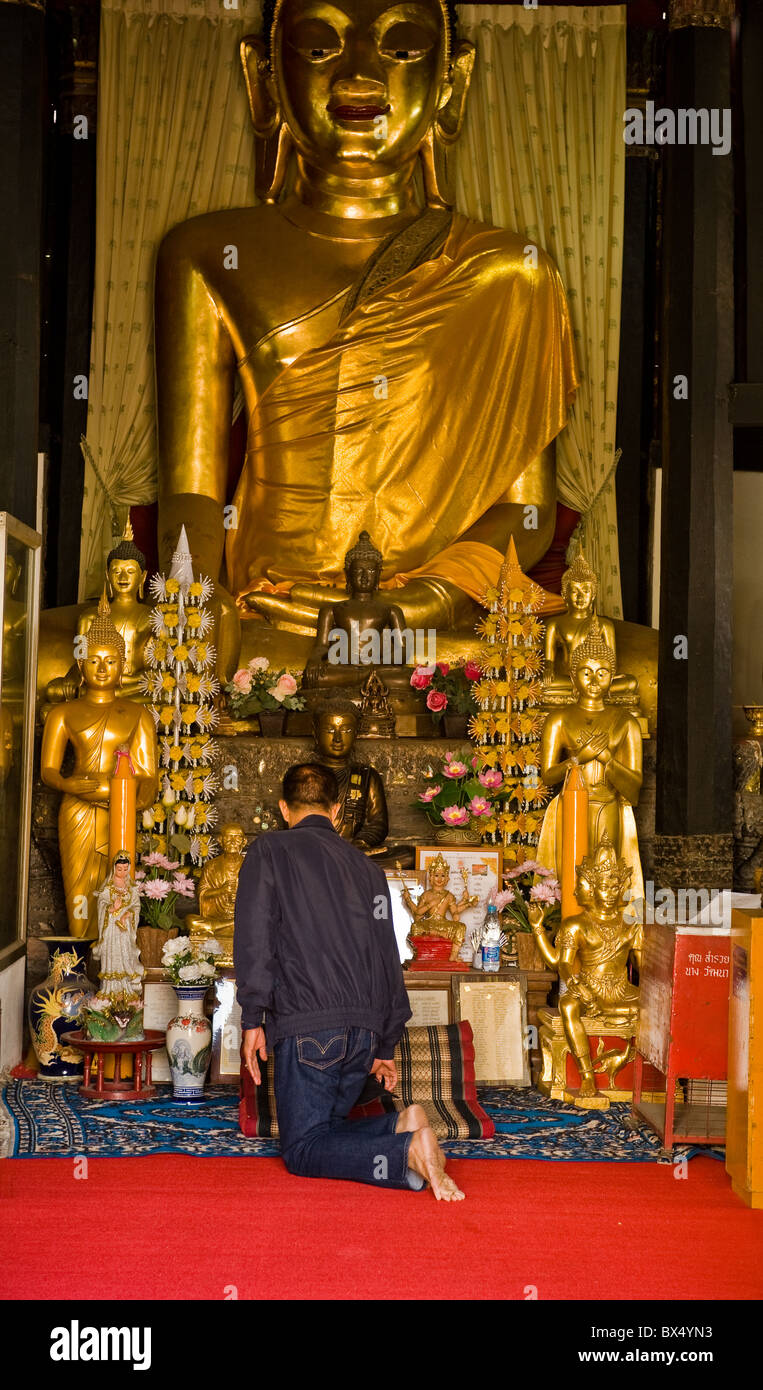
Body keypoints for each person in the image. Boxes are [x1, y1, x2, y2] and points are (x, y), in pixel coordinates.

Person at [234, 762, 464, 1201]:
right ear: (337, 811)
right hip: (363, 1030)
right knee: (328, 1131)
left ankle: (407, 1151)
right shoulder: (368, 870)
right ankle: (403, 1124)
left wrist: (252, 1017)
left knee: (302, 1150)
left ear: (284, 809)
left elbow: (255, 938)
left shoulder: (268, 851)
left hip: (309, 1027)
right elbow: (387, 956)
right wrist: (383, 1045)